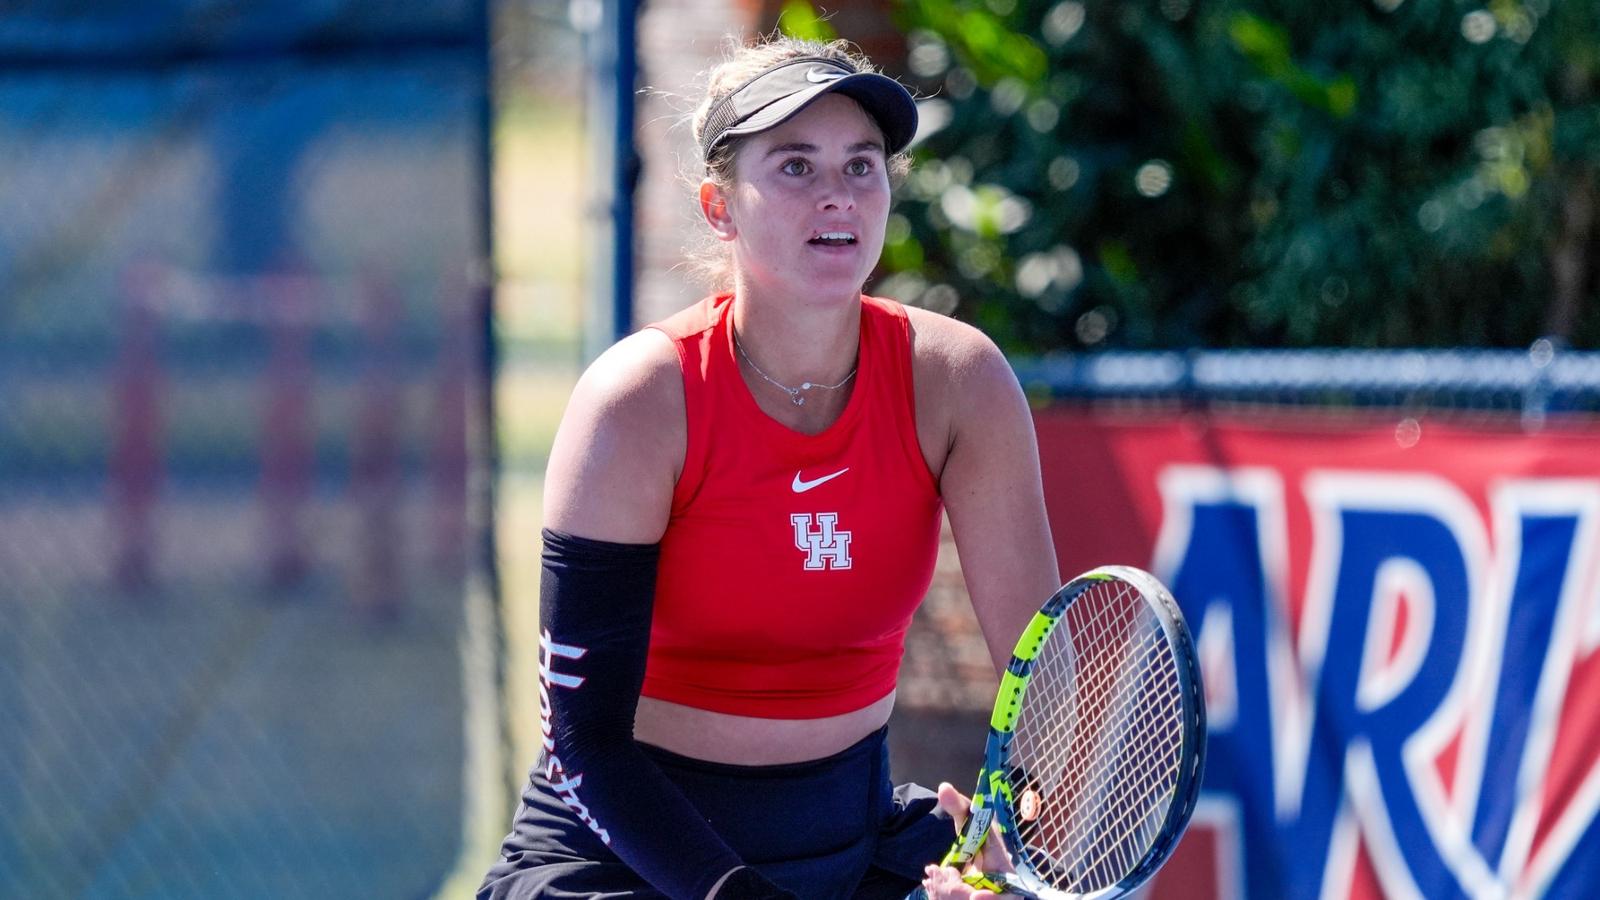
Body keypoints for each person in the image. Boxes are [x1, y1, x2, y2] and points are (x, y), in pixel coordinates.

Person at [479, 33, 1059, 900]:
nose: (839, 195)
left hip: (850, 839)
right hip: (629, 853)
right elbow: (583, 744)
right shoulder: (639, 401)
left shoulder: (960, 381)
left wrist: (1003, 836)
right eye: (795, 167)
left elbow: (1043, 684)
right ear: (720, 206)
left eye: (862, 166)